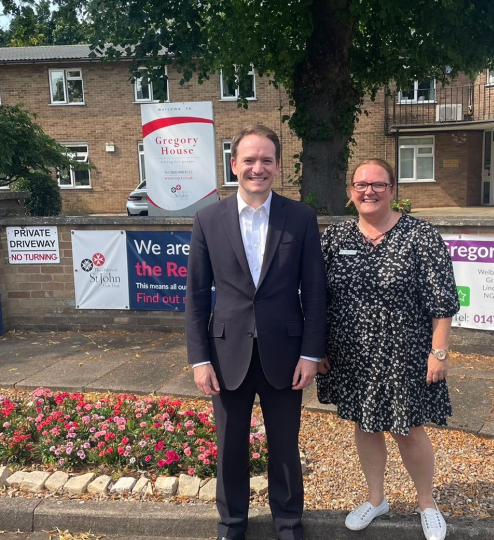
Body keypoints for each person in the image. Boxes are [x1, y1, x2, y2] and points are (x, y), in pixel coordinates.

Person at [186, 124, 327, 540]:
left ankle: (288, 523)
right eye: (249, 159)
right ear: (234, 165)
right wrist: (199, 359)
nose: (257, 167)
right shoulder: (208, 219)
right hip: (227, 354)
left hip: (286, 355)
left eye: (266, 159)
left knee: (285, 448)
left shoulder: (300, 218)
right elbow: (195, 295)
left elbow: (315, 292)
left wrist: (310, 353)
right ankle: (231, 524)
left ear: (278, 166)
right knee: (231, 448)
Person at [316, 158, 459, 540]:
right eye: (361, 184)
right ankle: (376, 499)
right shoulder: (334, 238)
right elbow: (318, 297)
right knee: (366, 424)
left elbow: (442, 301)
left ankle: (427, 502)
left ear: (393, 190)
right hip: (351, 354)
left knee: (409, 430)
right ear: (350, 193)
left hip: (405, 353)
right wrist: (318, 348)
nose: (369, 191)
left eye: (378, 184)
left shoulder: (420, 236)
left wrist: (439, 351)